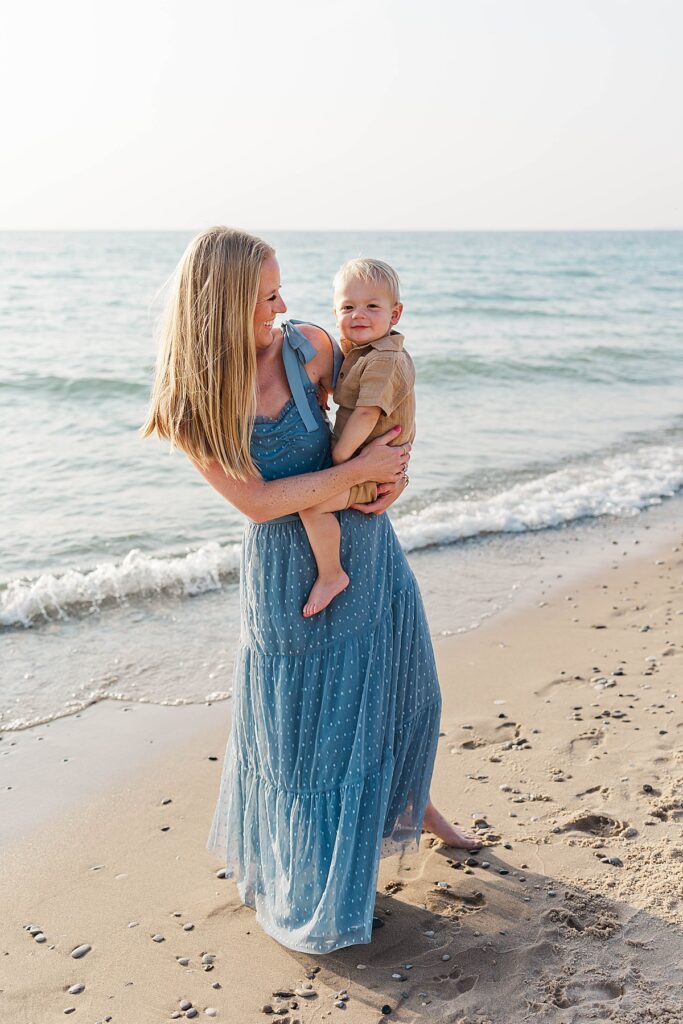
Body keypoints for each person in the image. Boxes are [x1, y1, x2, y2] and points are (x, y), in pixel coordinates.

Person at [142, 226, 480, 955]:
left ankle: (412, 805)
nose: (285, 306)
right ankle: (319, 866)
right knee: (308, 740)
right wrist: (347, 477)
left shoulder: (312, 348)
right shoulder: (190, 399)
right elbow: (260, 504)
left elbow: (380, 404)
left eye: (282, 290)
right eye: (267, 296)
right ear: (222, 302)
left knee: (401, 688)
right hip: (288, 576)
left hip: (364, 545)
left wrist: (394, 475)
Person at [299, 257, 415, 618]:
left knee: (312, 504)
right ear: (335, 313)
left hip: (371, 470)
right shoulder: (359, 351)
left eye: (371, 307)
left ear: (394, 315)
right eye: (348, 307)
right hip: (370, 464)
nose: (358, 315)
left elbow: (367, 413)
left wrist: (341, 458)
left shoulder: (384, 359)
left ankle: (332, 575)